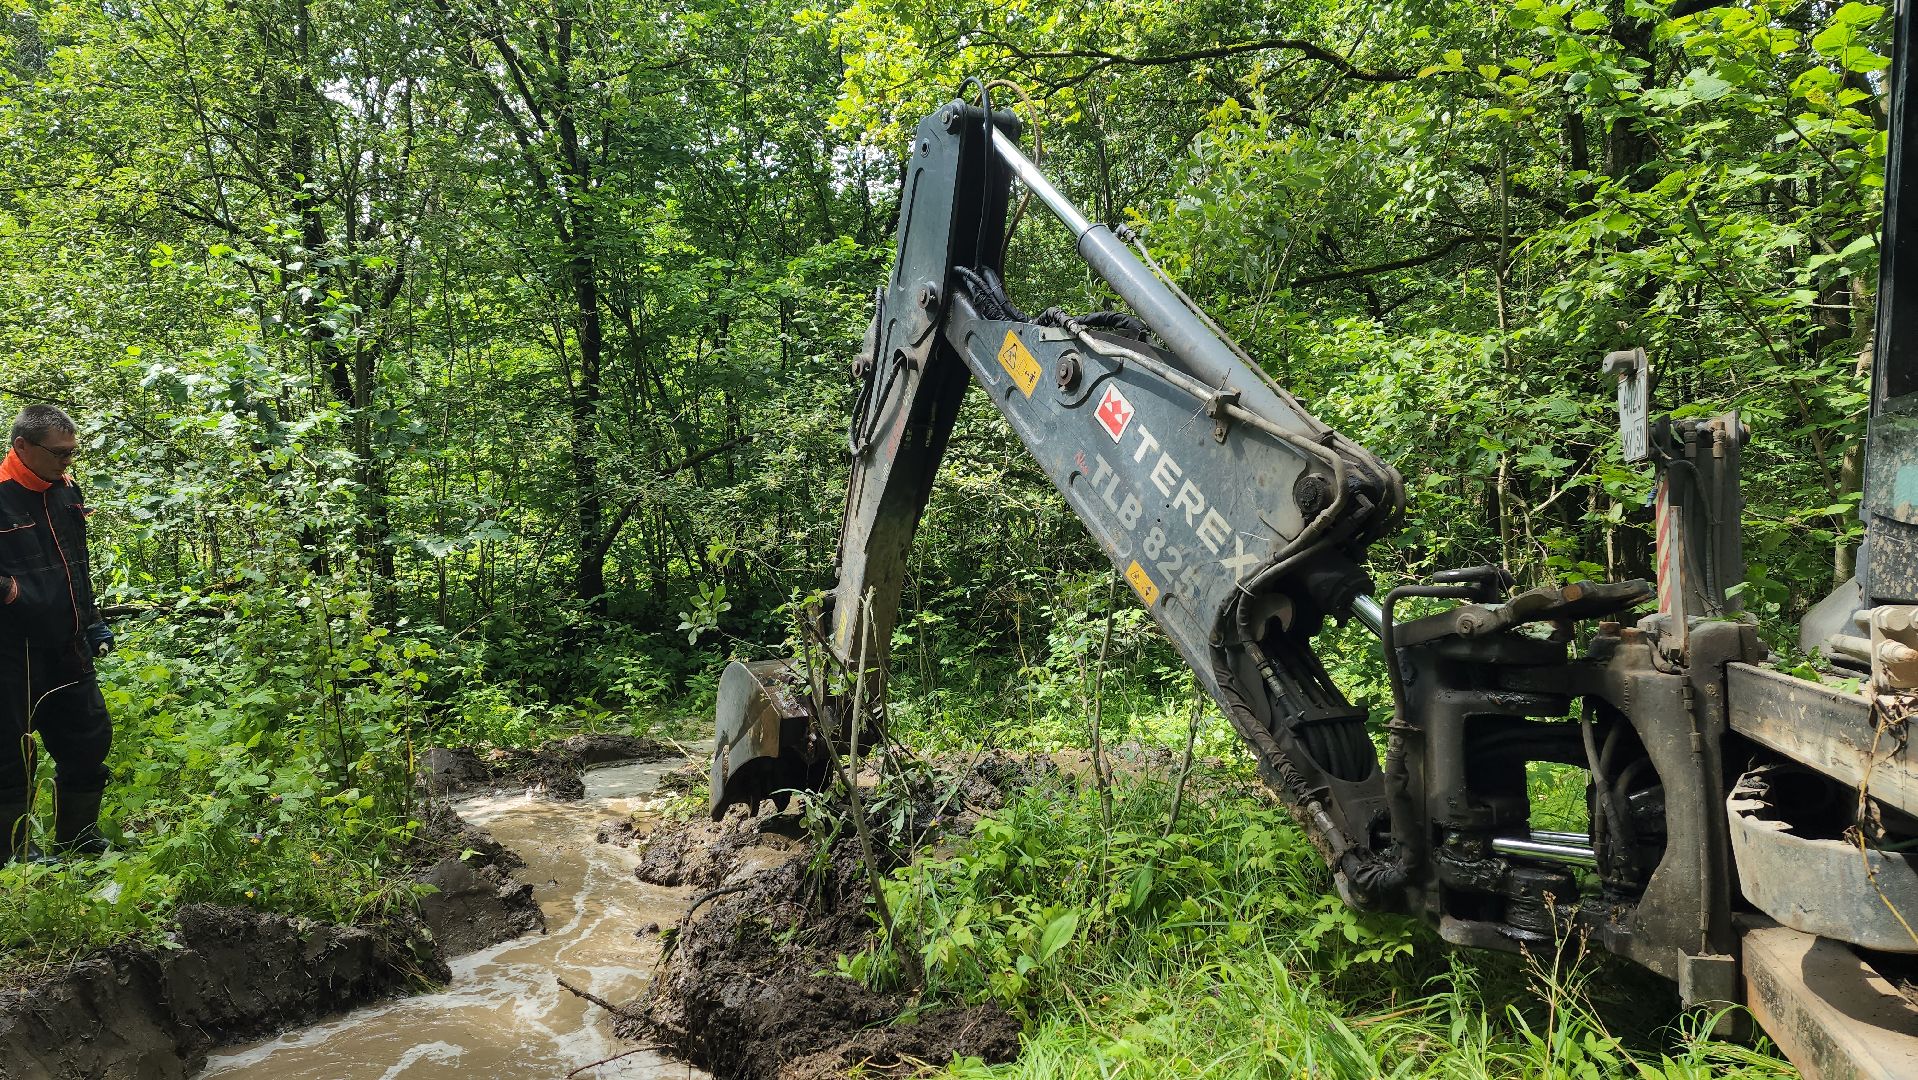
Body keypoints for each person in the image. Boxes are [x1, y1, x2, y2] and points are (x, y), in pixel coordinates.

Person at [0, 404, 114, 864]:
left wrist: (91, 620)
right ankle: (15, 857)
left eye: (72, 452)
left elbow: (77, 566)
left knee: (88, 739)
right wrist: (9, 592)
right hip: (11, 651)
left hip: (67, 645)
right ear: (21, 447)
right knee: (9, 755)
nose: (68, 462)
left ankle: (78, 838)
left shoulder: (66, 491)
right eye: (59, 453)